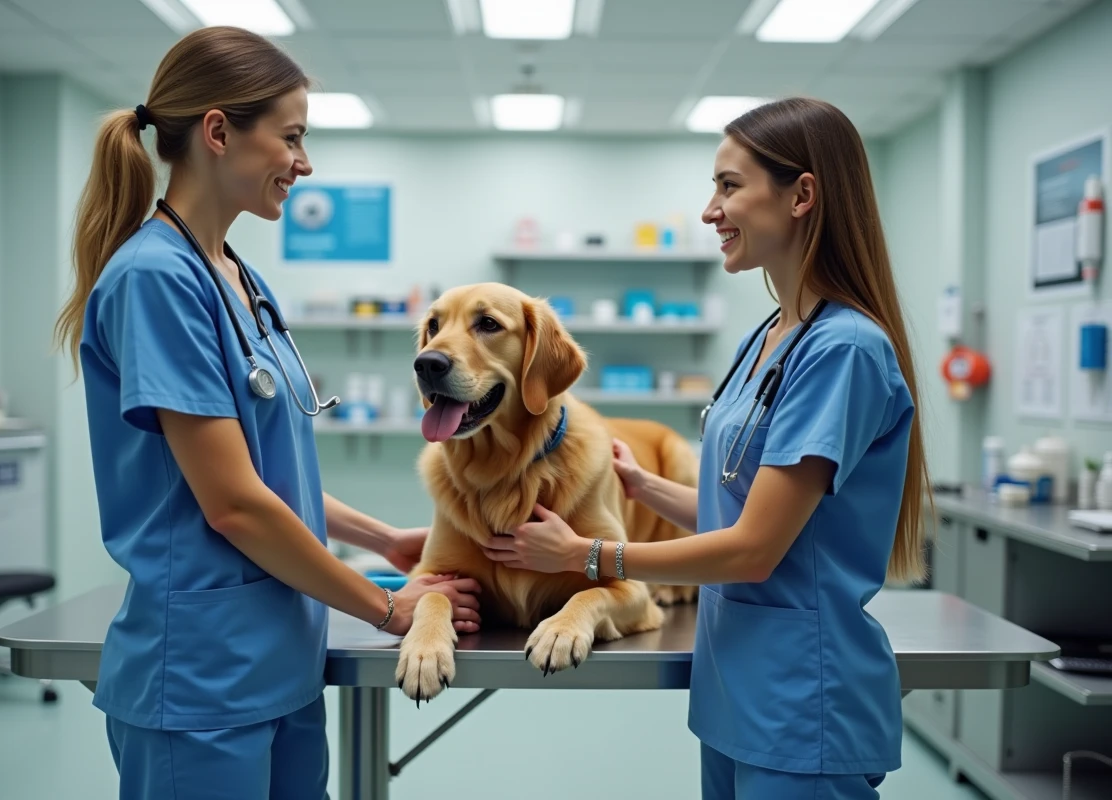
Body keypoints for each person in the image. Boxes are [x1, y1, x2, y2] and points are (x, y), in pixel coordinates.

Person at [52, 26, 481, 800]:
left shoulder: (237, 277)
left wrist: (386, 538)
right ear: (219, 131)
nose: (304, 163)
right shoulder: (157, 278)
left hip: (278, 663)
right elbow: (235, 505)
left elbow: (273, 474)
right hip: (200, 679)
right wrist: (388, 608)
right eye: (290, 137)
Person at [481, 96, 931, 800]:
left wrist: (588, 557)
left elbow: (754, 548)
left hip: (802, 699)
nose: (709, 211)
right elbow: (745, 507)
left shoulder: (843, 349)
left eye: (729, 186)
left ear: (802, 195)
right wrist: (644, 487)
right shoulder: (772, 337)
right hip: (736, 695)